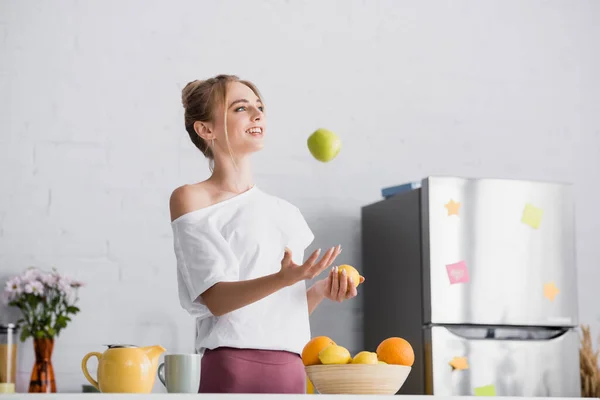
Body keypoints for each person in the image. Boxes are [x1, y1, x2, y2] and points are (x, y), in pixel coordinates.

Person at [169, 74, 365, 394]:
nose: (258, 114)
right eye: (240, 108)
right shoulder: (192, 198)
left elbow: (276, 313)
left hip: (291, 369)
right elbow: (216, 299)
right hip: (231, 369)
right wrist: (283, 278)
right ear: (206, 129)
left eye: (259, 106)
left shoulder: (286, 213)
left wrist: (319, 291)